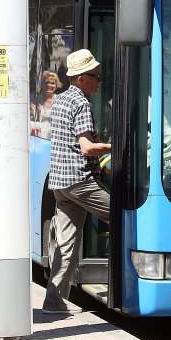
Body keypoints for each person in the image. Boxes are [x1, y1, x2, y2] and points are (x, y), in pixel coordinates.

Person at [42, 49, 112, 315]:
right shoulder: (81, 103)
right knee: (125, 216)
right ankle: (128, 281)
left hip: (60, 183)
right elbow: (86, 147)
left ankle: (54, 302)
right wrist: (114, 147)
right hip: (79, 181)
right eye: (95, 77)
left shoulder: (59, 100)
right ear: (82, 79)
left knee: (66, 243)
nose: (99, 82)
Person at [31, 70, 62, 139]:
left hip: (56, 138)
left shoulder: (61, 101)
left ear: (56, 85)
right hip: (38, 138)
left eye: (52, 83)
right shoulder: (34, 101)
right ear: (42, 84)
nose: (49, 85)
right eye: (46, 82)